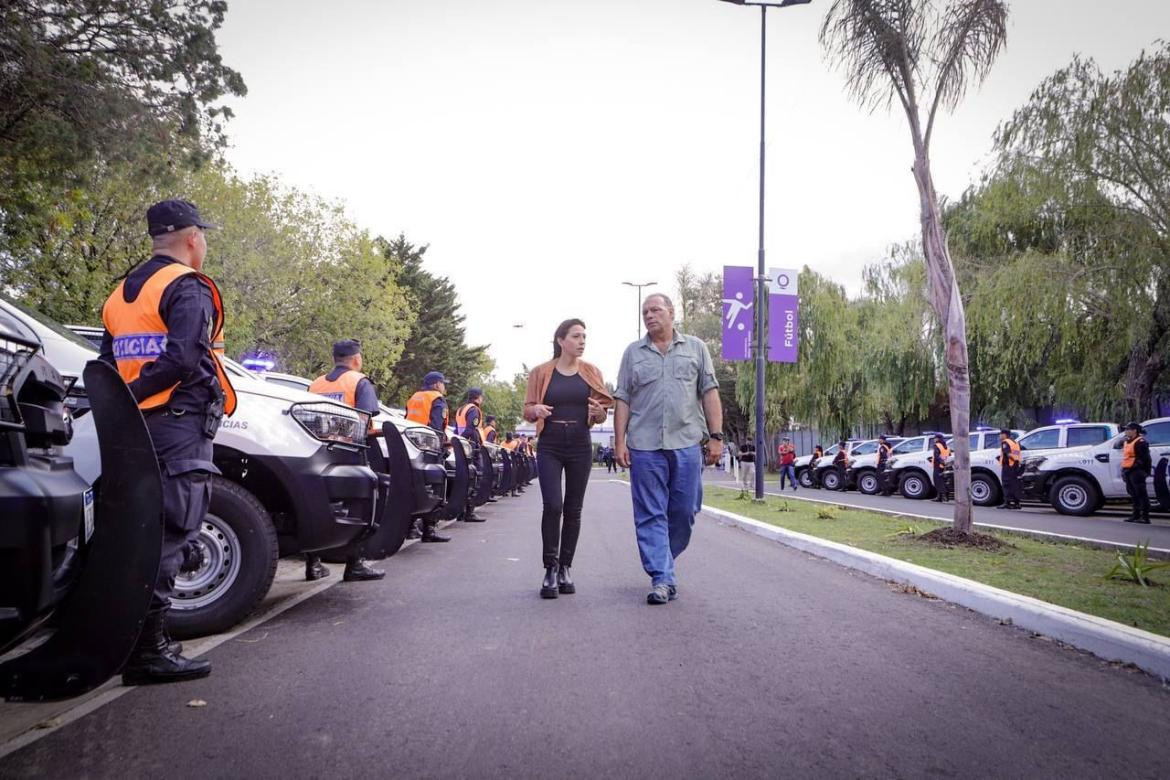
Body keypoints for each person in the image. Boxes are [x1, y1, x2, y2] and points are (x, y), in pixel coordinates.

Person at [101, 199, 237, 685]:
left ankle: (132, 644)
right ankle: (148, 652)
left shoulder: (120, 295)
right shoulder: (187, 287)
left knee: (140, 533)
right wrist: (140, 395)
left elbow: (108, 365)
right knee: (172, 532)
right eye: (204, 236)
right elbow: (182, 359)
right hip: (178, 427)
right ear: (192, 237)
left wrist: (124, 401)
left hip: (134, 430)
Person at [614, 294, 722, 605]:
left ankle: (664, 560)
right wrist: (619, 441)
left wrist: (716, 436)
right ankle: (661, 577)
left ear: (671, 313)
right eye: (645, 311)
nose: (649, 315)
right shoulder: (633, 353)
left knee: (685, 511)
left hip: (686, 442)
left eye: (656, 310)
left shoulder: (696, 348)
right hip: (644, 445)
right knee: (650, 514)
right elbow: (622, 398)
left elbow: (709, 393)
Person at [524, 318, 613, 599]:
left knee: (574, 509)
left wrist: (599, 412)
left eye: (584, 336)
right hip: (550, 443)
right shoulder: (540, 372)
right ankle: (549, 568)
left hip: (579, 444)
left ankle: (565, 568)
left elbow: (602, 413)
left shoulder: (591, 372)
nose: (582, 341)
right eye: (576, 336)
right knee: (553, 505)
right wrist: (535, 410)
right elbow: (527, 410)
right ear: (561, 340)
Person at [305, 339, 386, 581]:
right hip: (349, 456)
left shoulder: (316, 384)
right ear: (356, 359)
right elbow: (363, 422)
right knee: (361, 508)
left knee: (316, 507)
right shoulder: (359, 382)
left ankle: (313, 564)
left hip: (316, 455)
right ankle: (355, 563)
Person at [405, 371, 451, 542]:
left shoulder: (414, 397)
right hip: (429, 448)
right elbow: (436, 427)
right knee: (434, 488)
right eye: (443, 383)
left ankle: (409, 528)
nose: (444, 387)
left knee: (413, 486)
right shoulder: (437, 399)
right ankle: (429, 530)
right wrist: (440, 449)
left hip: (412, 446)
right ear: (436, 384)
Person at [455, 388, 487, 522]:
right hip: (471, 448)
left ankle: (461, 511)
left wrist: (457, 443)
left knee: (464, 479)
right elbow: (470, 430)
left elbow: (457, 429)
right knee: (475, 478)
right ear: (478, 397)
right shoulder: (474, 410)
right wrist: (463, 441)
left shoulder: (461, 409)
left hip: (463, 447)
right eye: (482, 397)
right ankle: (470, 512)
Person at [1121, 422, 1152, 524]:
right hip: (1128, 470)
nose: (1126, 431)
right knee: (1133, 494)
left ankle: (1145, 517)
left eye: (1128, 429)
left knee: (1141, 494)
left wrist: (1137, 468)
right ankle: (1135, 515)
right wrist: (1125, 470)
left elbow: (1144, 458)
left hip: (1137, 471)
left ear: (1134, 430)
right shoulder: (1127, 441)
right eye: (1125, 429)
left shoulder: (1141, 442)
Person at [997, 428, 1022, 510]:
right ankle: (1017, 503)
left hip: (1008, 466)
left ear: (1004, 434)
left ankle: (1007, 503)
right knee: (1014, 484)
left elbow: (1008, 454)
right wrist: (1016, 461)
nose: (999, 436)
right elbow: (1016, 454)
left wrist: (1012, 459)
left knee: (1006, 484)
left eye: (1001, 434)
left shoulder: (1005, 442)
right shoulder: (1015, 442)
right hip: (1015, 465)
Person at [929, 433, 951, 502]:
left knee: (938, 482)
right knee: (943, 481)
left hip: (938, 465)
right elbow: (949, 455)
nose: (934, 439)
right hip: (945, 466)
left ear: (938, 439)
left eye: (935, 438)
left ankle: (942, 497)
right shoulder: (947, 447)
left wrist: (941, 461)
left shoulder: (937, 445)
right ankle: (942, 497)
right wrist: (944, 462)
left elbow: (936, 455)